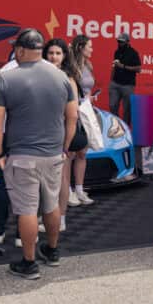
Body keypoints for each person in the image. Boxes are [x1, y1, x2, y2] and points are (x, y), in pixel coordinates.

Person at [0, 28, 78, 279]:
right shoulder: (61, 77)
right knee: (51, 205)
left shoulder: (8, 79)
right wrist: (65, 147)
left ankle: (28, 263)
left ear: (19, 49)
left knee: (26, 209)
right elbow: (72, 116)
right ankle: (52, 251)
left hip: (21, 155)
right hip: (53, 154)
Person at [44, 37, 85, 233]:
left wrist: (66, 142)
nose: (54, 57)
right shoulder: (40, 74)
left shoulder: (68, 78)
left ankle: (60, 219)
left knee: (61, 178)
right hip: (43, 132)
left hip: (61, 132)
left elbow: (73, 111)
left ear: (64, 56)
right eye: (51, 53)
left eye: (58, 53)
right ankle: (47, 217)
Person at [68, 34, 96, 206]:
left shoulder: (88, 65)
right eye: (89, 46)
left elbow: (88, 89)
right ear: (80, 48)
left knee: (82, 151)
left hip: (85, 112)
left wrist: (89, 101)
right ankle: (68, 191)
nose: (92, 50)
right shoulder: (71, 67)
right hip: (73, 112)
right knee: (70, 153)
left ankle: (79, 189)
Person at [108, 32, 140, 123]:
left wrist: (123, 66)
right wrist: (111, 80)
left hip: (128, 85)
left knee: (127, 109)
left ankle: (126, 128)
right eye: (118, 41)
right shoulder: (117, 52)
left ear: (127, 42)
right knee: (112, 105)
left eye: (122, 42)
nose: (119, 43)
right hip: (115, 83)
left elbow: (138, 69)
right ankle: (116, 125)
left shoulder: (133, 53)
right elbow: (114, 66)